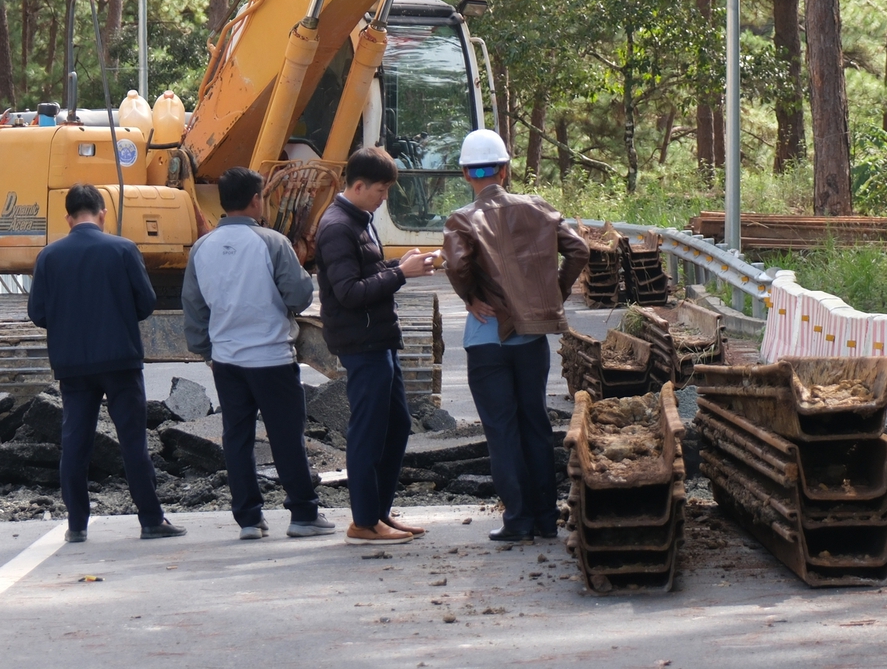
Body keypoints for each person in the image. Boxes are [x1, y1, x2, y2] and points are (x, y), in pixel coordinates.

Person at [441, 129, 588, 543]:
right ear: (505, 170)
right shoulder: (538, 207)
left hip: (486, 342)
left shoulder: (461, 219)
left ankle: (518, 520)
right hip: (531, 339)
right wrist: (553, 294)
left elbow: (457, 264)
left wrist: (470, 297)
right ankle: (545, 518)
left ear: (466, 174)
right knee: (535, 424)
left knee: (502, 431)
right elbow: (579, 250)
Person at [27, 183, 187, 544]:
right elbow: (146, 302)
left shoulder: (49, 257)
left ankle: (76, 525)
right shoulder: (123, 249)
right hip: (120, 360)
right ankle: (150, 519)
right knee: (133, 441)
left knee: (75, 441)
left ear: (68, 218)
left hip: (73, 364)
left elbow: (38, 312)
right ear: (102, 214)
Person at [182, 166, 335, 541]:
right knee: (286, 437)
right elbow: (299, 295)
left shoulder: (202, 247)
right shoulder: (273, 243)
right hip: (271, 358)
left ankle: (249, 519)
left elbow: (194, 308)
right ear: (255, 200)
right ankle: (303, 514)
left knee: (237, 437)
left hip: (226, 361)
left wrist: (208, 352)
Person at [314, 147, 436, 544]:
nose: (384, 198)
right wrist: (400, 274)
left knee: (397, 424)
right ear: (358, 186)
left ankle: (380, 513)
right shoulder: (337, 226)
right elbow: (349, 292)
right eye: (381, 191)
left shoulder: (359, 220)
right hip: (361, 343)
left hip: (379, 339)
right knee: (368, 431)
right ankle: (364, 521)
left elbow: (365, 271)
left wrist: (402, 265)